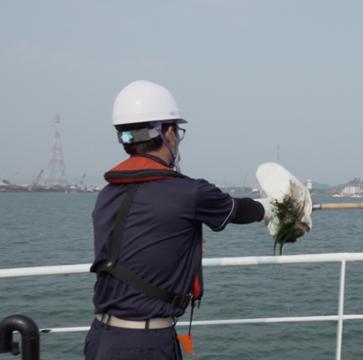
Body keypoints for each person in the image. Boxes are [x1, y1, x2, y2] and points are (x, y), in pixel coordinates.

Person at [85, 80, 273, 359]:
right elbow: (238, 210)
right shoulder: (188, 192)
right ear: (168, 133)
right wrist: (270, 207)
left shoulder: (108, 193)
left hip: (100, 338)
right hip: (145, 344)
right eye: (178, 131)